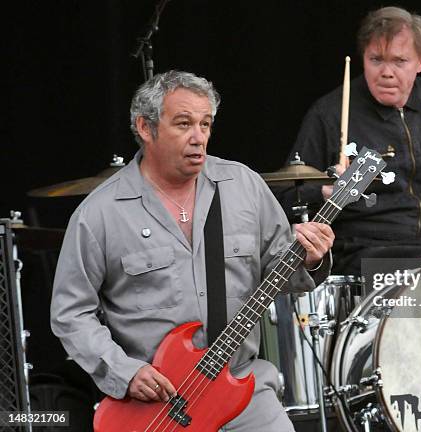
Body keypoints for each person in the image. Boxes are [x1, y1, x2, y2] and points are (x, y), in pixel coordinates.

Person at [50, 70, 334, 431]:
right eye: (183, 124)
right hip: (157, 404)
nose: (198, 137)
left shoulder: (243, 186)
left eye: (206, 124)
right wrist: (125, 372)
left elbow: (281, 271)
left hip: (243, 387)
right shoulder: (100, 213)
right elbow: (70, 312)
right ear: (145, 127)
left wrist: (311, 257)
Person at [286, 6, 421, 275]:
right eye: (376, 59)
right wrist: (325, 191)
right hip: (360, 254)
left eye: (400, 61)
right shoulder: (330, 112)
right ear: (363, 58)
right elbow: (288, 192)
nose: (387, 72)